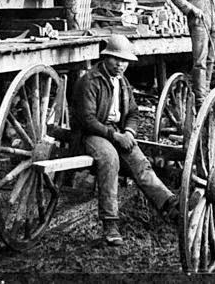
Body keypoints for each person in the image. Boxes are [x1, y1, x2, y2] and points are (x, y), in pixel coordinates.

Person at [70, 35, 178, 246]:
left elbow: (134, 113)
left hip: (117, 131)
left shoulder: (123, 82)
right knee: (110, 159)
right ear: (106, 57)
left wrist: (129, 133)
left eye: (125, 61)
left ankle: (169, 204)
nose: (120, 65)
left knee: (139, 161)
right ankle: (110, 224)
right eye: (116, 60)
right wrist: (115, 136)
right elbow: (87, 120)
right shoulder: (90, 81)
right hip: (90, 135)